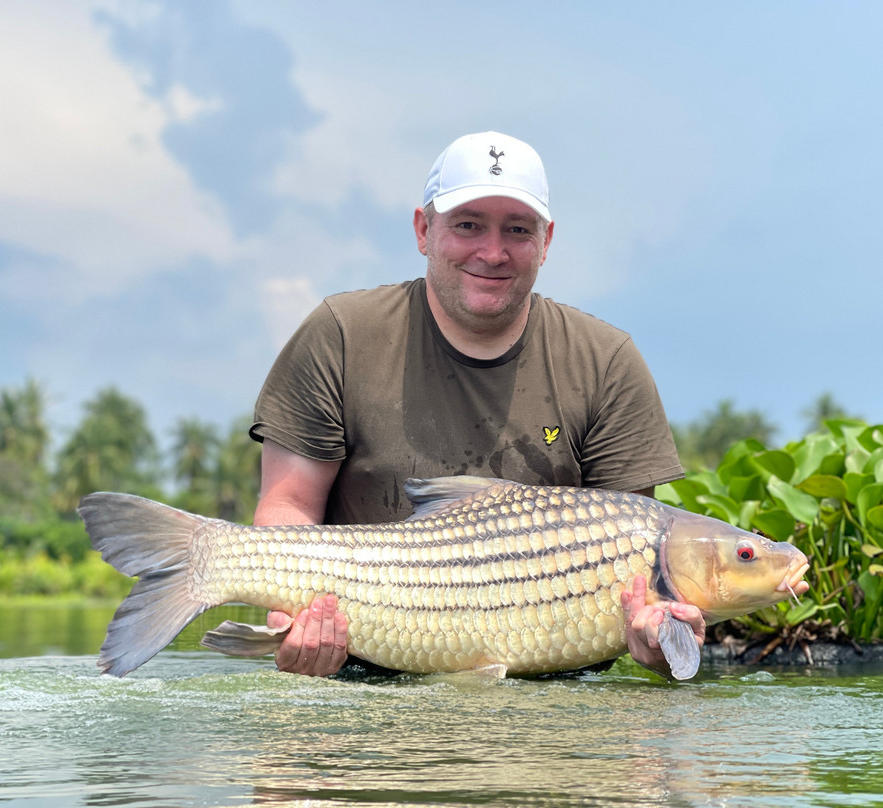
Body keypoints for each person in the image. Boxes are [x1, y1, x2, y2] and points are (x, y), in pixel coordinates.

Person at [249, 131, 701, 679]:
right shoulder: (340, 335)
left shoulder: (607, 361)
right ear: (423, 229)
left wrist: (655, 634)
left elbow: (626, 548)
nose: (493, 251)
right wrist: (293, 617)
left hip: (553, 697)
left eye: (517, 229)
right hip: (364, 670)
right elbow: (287, 507)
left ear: (546, 240)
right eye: (468, 225)